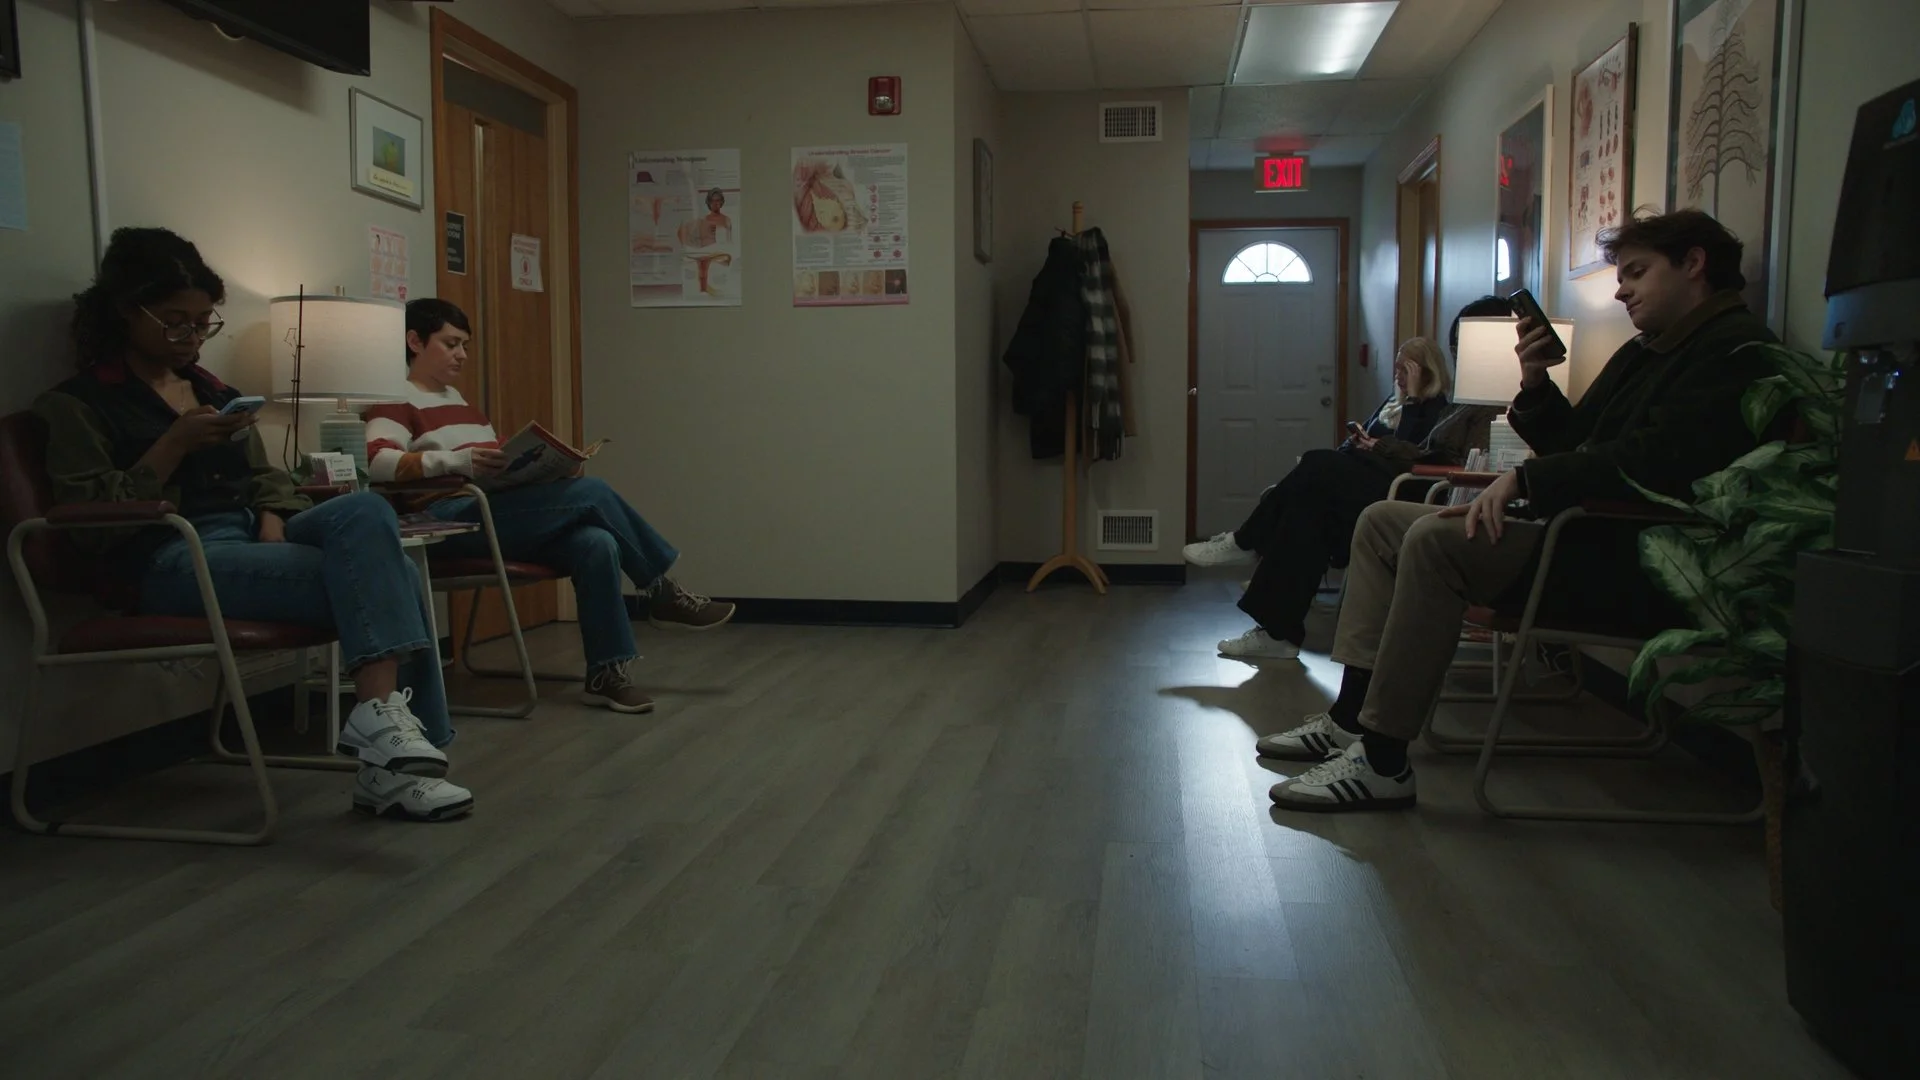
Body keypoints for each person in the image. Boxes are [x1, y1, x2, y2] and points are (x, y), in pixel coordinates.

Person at [1264, 208, 1782, 811]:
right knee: (1382, 520)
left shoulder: (1736, 352)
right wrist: (1535, 383)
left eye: (1637, 272)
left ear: (1694, 264)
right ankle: (1350, 718)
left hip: (1639, 555)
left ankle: (1383, 760)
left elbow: (1659, 462)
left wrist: (1524, 479)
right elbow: (1577, 442)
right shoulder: (1648, 351)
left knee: (1433, 541)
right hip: (1579, 536)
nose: (1622, 289)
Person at [35, 227, 471, 822]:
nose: (191, 337)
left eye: (202, 321)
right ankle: (394, 764)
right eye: (173, 321)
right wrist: (171, 445)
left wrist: (272, 517)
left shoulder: (214, 391)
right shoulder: (77, 405)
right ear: (122, 312)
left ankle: (386, 741)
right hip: (166, 559)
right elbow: (88, 525)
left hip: (245, 543)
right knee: (385, 573)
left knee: (368, 510)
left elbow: (269, 478)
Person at [364, 298, 735, 716]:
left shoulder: (459, 401)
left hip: (491, 512)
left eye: (465, 345)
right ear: (415, 340)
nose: (462, 355)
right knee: (592, 493)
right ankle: (661, 590)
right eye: (451, 344)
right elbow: (376, 461)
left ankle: (606, 674)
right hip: (446, 522)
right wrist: (454, 461)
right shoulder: (394, 397)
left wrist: (543, 469)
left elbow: (491, 466)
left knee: (595, 543)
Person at [1182, 316, 1507, 662]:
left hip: (1410, 491)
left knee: (1316, 464)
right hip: (1382, 481)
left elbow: (1426, 454)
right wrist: (1366, 443)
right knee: (1307, 512)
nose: (1459, 352)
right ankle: (1278, 634)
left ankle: (1245, 542)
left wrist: (1393, 427)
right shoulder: (1447, 400)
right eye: (1456, 344)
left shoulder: (1462, 405)